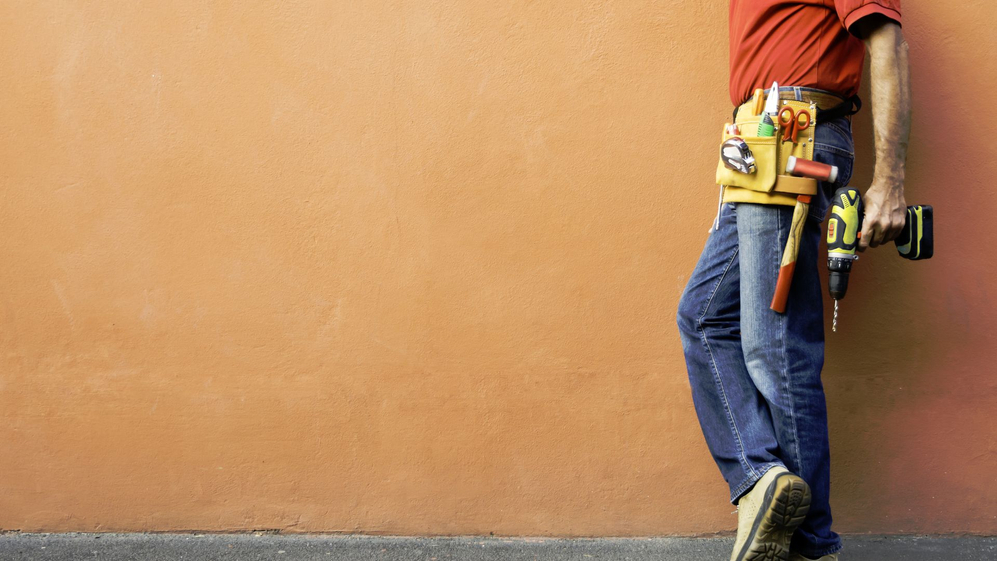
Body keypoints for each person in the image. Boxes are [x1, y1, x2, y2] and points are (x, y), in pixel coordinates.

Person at [676, 1, 910, 560]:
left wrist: (891, 182)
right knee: (705, 316)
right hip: (756, 144)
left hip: (791, 138)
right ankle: (763, 479)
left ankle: (810, 547)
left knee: (776, 348)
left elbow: (887, 41)